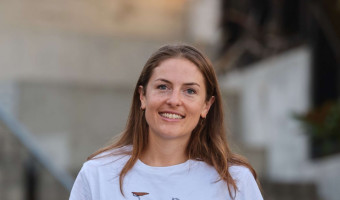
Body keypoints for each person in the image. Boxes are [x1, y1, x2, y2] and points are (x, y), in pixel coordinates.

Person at [69, 44, 263, 200]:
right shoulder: (98, 174)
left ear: (206, 105)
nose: (174, 100)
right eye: (163, 86)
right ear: (143, 96)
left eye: (190, 91)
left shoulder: (235, 181)